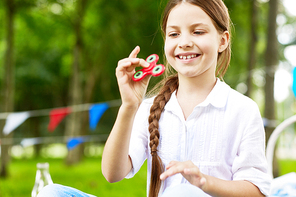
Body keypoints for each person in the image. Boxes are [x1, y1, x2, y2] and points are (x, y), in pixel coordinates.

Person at [38, 0, 271, 196]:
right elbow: (112, 173)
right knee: (53, 193)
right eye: (174, 34)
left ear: (223, 40)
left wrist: (203, 182)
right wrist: (129, 106)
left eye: (198, 31)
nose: (185, 41)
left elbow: (257, 190)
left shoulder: (243, 110)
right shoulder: (151, 108)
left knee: (183, 192)